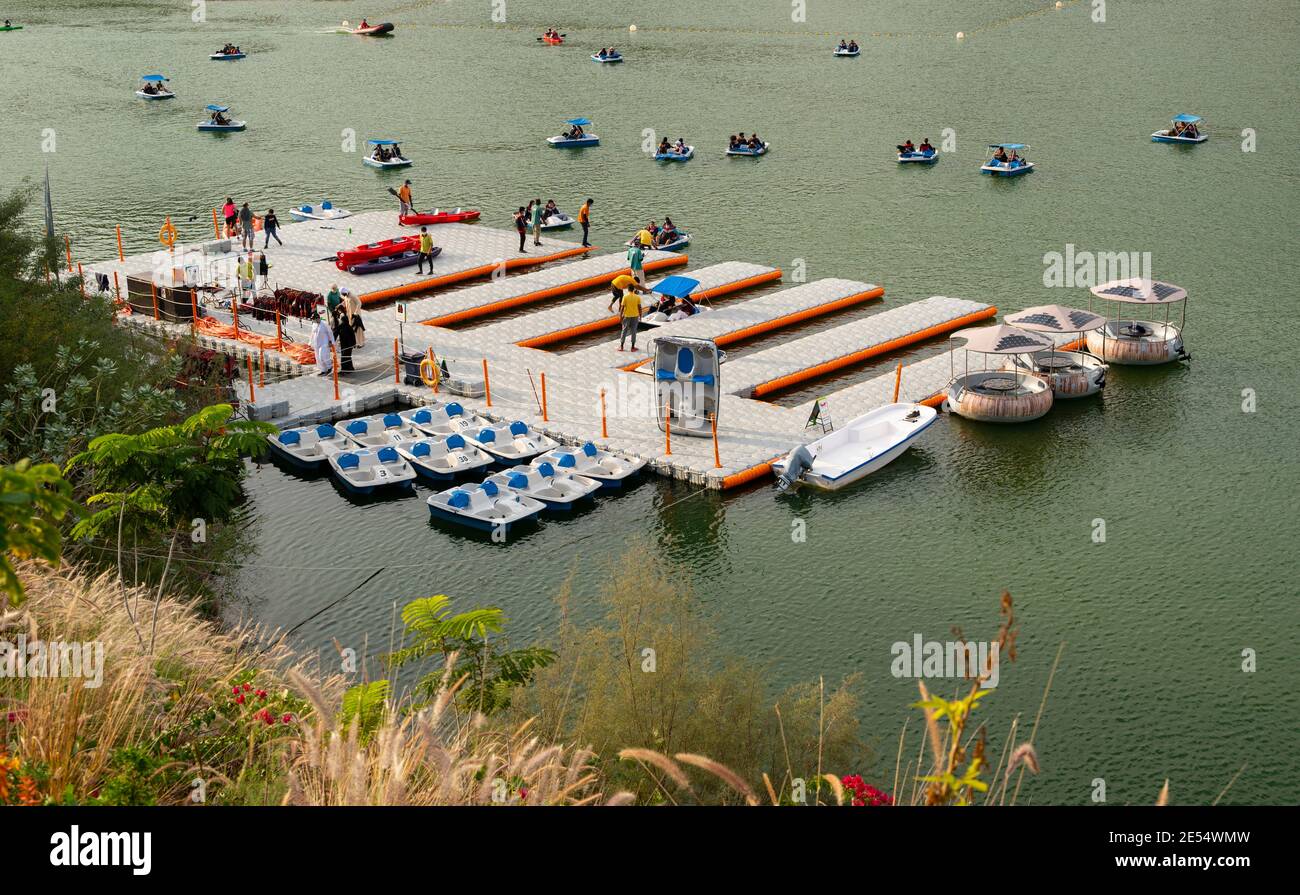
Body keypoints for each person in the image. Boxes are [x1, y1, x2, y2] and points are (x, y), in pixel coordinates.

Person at [607, 274, 648, 352]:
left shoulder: (625, 297)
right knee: (633, 331)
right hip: (635, 316)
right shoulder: (637, 297)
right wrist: (640, 316)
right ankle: (633, 347)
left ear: (628, 288)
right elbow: (639, 307)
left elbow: (622, 308)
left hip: (626, 315)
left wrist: (620, 316)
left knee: (624, 330)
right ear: (633, 288)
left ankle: (621, 346)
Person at [310, 311, 336, 376]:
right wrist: (310, 342)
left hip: (324, 343)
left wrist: (331, 341)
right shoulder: (314, 325)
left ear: (317, 318)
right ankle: (323, 370)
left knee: (322, 356)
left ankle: (329, 367)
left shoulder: (324, 324)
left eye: (313, 319)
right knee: (318, 357)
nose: (313, 321)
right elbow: (312, 334)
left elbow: (330, 333)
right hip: (317, 343)